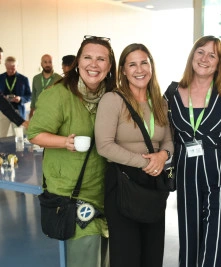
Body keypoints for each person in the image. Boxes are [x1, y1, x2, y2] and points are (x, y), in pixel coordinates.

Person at [27, 35, 117, 267]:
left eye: (101, 59)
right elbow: (35, 133)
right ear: (78, 61)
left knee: (105, 259)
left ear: (110, 66)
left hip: (108, 192)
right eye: (87, 57)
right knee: (85, 259)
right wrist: (63, 142)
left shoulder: (113, 96)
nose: (93, 64)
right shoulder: (58, 94)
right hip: (73, 195)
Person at [95, 43, 174, 267]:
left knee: (153, 253)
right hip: (123, 181)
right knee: (126, 255)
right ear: (123, 70)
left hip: (154, 182)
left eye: (144, 63)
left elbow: (168, 139)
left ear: (151, 66)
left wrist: (163, 156)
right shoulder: (113, 100)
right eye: (132, 64)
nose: (139, 69)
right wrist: (144, 162)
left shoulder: (160, 102)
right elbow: (104, 145)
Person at [164, 35, 221, 267]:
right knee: (189, 241)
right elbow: (162, 132)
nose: (205, 58)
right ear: (192, 55)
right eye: (200, 52)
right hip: (187, 179)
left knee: (217, 241)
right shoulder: (173, 93)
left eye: (212, 55)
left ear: (219, 63)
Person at [0, 56, 31, 136]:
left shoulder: (23, 79)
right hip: (3, 111)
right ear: (5, 66)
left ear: (17, 66)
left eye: (13, 68)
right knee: (2, 135)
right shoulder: (0, 78)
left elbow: (30, 96)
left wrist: (21, 98)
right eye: (8, 68)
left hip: (18, 111)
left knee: (19, 136)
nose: (10, 71)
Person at [29, 54, 62, 119]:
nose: (48, 64)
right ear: (41, 64)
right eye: (45, 62)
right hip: (38, 113)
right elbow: (33, 96)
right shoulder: (36, 78)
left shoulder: (59, 78)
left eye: (50, 62)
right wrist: (31, 113)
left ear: (52, 64)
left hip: (54, 114)